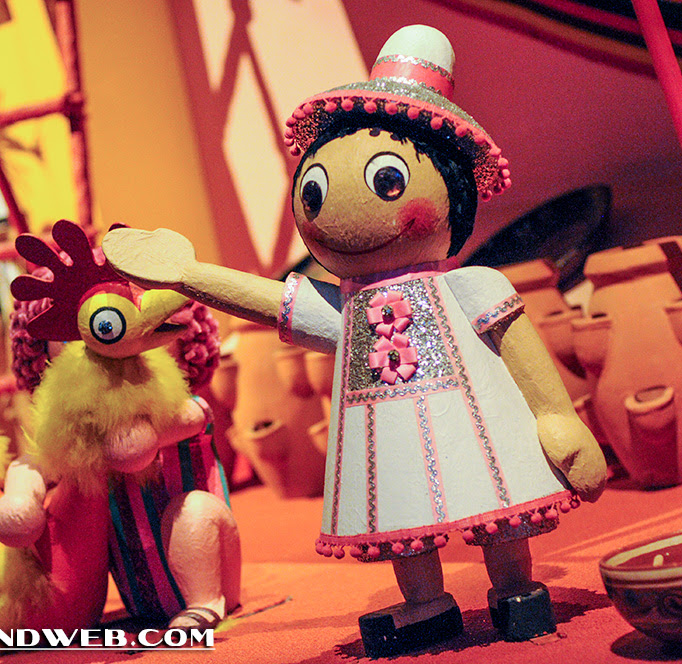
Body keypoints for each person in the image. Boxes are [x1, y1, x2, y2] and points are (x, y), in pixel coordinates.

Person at [103, 24, 605, 656]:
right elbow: (268, 300)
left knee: (499, 508)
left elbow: (519, 349)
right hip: (386, 444)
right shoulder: (346, 308)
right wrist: (187, 274)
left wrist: (557, 416)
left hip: (481, 433)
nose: (330, 210)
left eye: (388, 181)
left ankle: (513, 590)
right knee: (403, 517)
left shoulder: (473, 287)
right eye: (313, 191)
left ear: (452, 188)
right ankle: (426, 605)